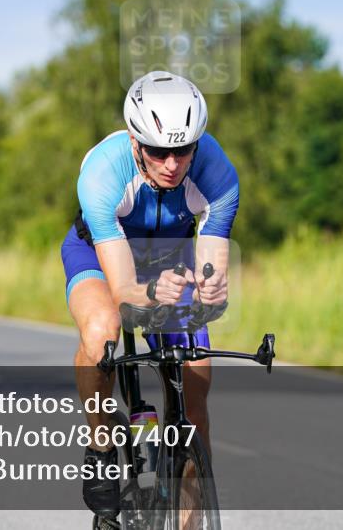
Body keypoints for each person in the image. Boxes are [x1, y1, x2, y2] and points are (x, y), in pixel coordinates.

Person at [61, 71, 239, 519]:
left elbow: (212, 260)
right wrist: (150, 291)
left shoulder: (219, 174)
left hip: (170, 255)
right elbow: (124, 291)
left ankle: (189, 515)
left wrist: (212, 283)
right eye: (158, 151)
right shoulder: (103, 174)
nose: (172, 164)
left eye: (183, 150)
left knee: (196, 383)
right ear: (135, 141)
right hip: (102, 255)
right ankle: (102, 445)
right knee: (103, 331)